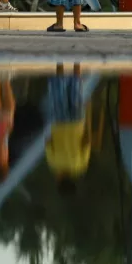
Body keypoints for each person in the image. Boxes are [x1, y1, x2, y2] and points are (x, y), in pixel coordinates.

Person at [43, 63, 91, 195]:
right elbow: (47, 141)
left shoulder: (81, 165)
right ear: (59, 181)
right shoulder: (53, 164)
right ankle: (60, 61)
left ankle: (77, 62)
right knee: (59, 89)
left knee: (76, 89)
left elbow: (87, 142)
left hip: (77, 123)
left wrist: (85, 124)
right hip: (59, 122)